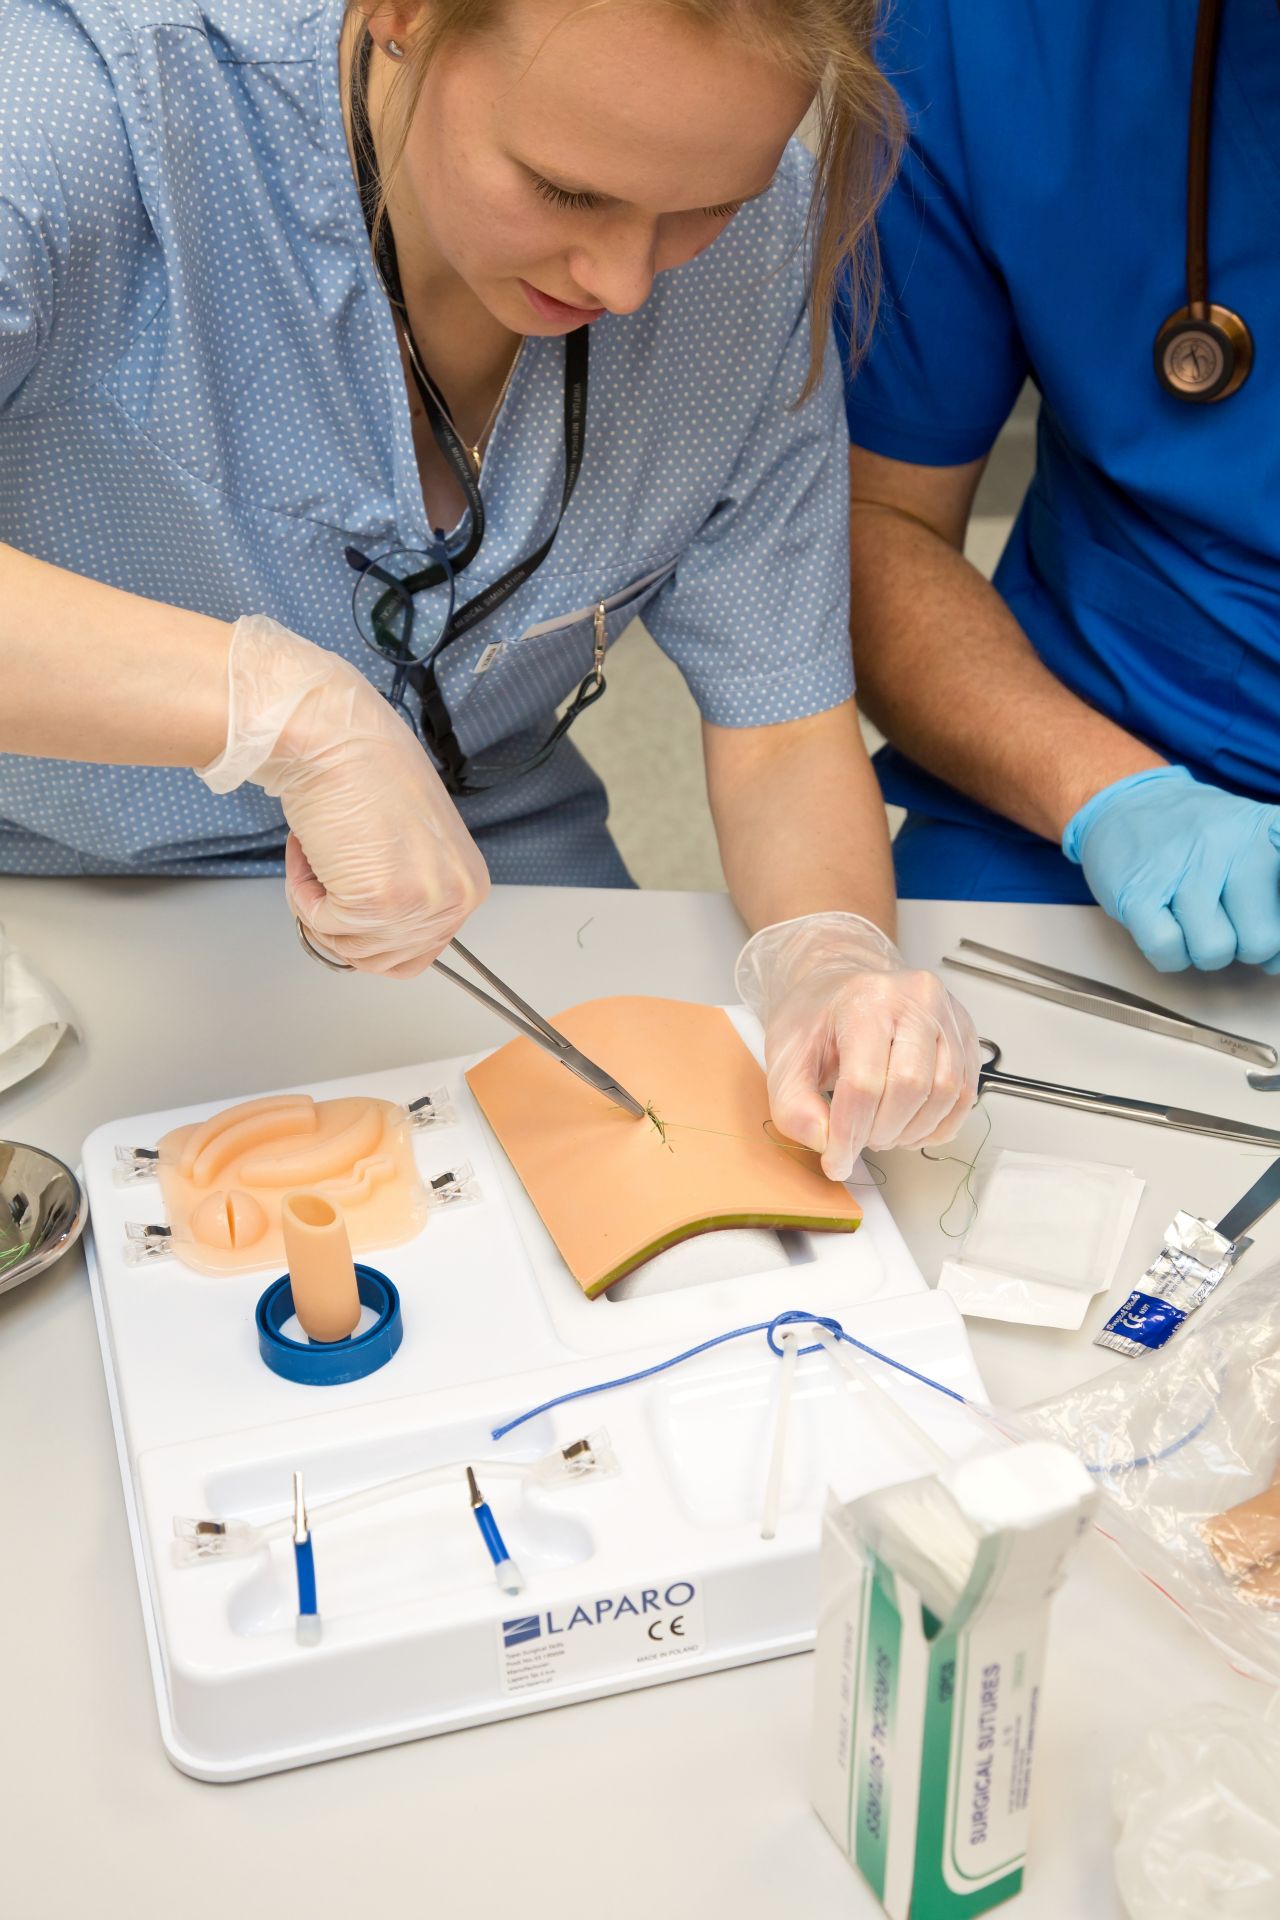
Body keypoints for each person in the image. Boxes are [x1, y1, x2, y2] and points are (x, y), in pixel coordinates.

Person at [0, 0, 978, 1174]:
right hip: (53, 891)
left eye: (703, 209)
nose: (625, 283)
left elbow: (779, 723)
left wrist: (827, 956)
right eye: (567, 192)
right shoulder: (72, 115)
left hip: (492, 893)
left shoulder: (754, 248)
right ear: (404, 15)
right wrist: (275, 710)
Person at [840, 0, 1280, 975]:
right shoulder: (993, 34)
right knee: (917, 1053)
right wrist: (1112, 796)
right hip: (1093, 776)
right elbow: (875, 517)